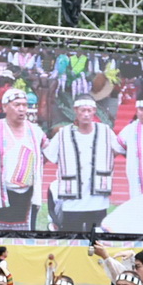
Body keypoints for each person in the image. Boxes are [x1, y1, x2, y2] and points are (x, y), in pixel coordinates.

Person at [0, 84, 49, 230]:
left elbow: (48, 154)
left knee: (26, 237)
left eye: (24, 105)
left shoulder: (35, 131)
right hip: (1, 193)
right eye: (17, 105)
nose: (22, 109)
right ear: (5, 107)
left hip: (28, 196)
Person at [45, 95, 115, 232]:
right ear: (76, 110)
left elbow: (120, 149)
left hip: (98, 199)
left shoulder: (106, 132)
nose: (86, 115)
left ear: (94, 111)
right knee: (71, 239)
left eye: (89, 111)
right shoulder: (63, 134)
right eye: (83, 111)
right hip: (72, 199)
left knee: (95, 242)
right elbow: (48, 155)